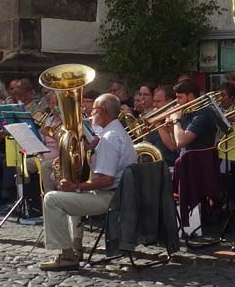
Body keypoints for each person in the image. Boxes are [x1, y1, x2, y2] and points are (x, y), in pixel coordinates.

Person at [38, 93, 136, 271]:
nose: (90, 114)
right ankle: (76, 245)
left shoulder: (109, 138)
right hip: (119, 194)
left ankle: (67, 256)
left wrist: (76, 186)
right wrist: (87, 151)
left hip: (110, 197)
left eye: (94, 110)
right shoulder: (115, 132)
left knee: (52, 199)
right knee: (69, 194)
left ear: (103, 111)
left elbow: (106, 179)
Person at [145, 85, 179, 166]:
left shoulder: (175, 118)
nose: (154, 105)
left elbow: (172, 147)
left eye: (158, 101)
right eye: (154, 101)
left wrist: (156, 123)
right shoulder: (158, 116)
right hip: (154, 163)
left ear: (169, 102)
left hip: (169, 164)